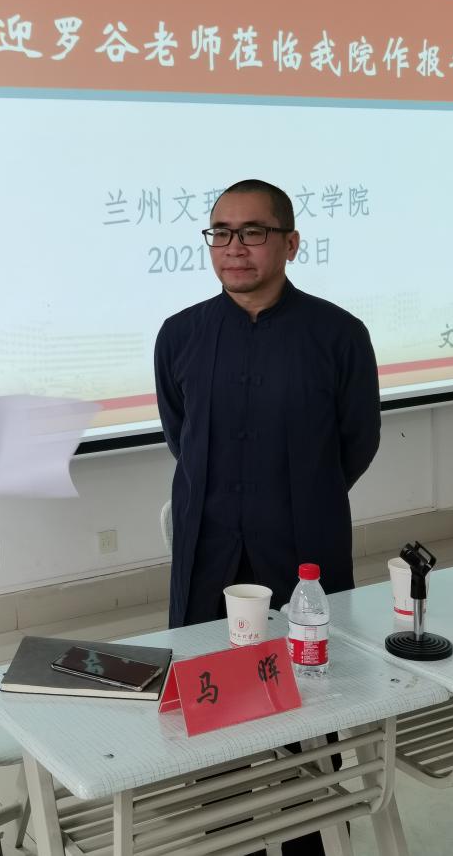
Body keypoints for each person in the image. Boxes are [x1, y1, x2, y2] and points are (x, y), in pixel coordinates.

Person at [155, 179, 380, 855]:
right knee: (212, 697)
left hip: (304, 548)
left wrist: (298, 495)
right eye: (220, 233)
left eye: (252, 232)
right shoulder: (181, 335)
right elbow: (181, 433)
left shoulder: (339, 335)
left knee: (311, 696)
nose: (234, 248)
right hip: (208, 551)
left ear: (290, 243)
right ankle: (229, 833)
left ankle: (310, 830)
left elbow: (357, 441)